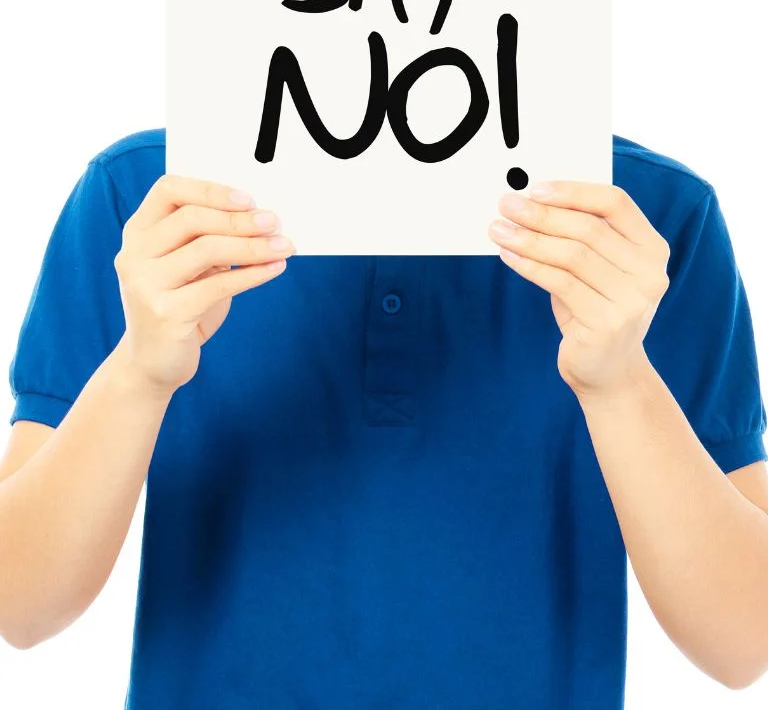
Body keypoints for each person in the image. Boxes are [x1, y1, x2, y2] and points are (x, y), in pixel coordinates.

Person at [1, 127, 767, 710]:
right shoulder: (146, 205)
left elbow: (744, 641)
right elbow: (20, 604)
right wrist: (139, 371)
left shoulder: (647, 225)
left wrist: (621, 381)